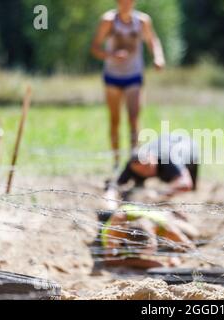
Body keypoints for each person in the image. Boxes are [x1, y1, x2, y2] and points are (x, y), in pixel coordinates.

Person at [91, 0, 165, 170]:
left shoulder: (142, 21)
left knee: (133, 118)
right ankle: (116, 162)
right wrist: (111, 55)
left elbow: (152, 40)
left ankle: (133, 162)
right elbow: (95, 47)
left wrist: (158, 57)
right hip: (113, 77)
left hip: (134, 75)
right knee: (115, 120)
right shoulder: (108, 21)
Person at [94, 203, 198, 270]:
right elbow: (108, 260)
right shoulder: (116, 228)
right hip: (119, 217)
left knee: (193, 234)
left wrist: (177, 256)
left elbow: (190, 247)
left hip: (163, 217)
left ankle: (174, 214)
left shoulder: (166, 228)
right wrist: (149, 263)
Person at [117, 135, 200, 196]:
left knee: (190, 189)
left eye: (147, 167)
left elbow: (186, 184)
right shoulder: (132, 164)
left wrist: (159, 193)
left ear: (152, 158)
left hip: (187, 148)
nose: (146, 173)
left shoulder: (169, 158)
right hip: (164, 143)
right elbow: (117, 184)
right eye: (141, 172)